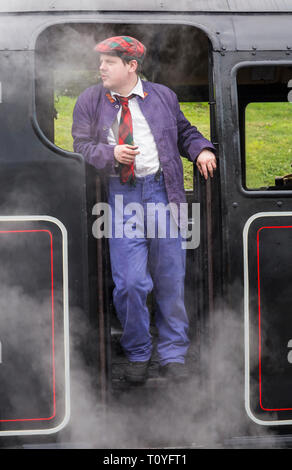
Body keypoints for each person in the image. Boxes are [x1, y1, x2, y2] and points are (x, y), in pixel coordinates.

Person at [72, 35, 216, 384]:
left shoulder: (163, 96)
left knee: (170, 277)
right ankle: (138, 352)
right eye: (101, 61)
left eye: (109, 62)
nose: (101, 67)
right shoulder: (91, 100)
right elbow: (81, 144)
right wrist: (111, 155)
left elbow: (184, 132)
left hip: (164, 192)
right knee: (131, 283)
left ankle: (173, 353)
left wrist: (201, 150)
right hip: (122, 195)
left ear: (131, 66)